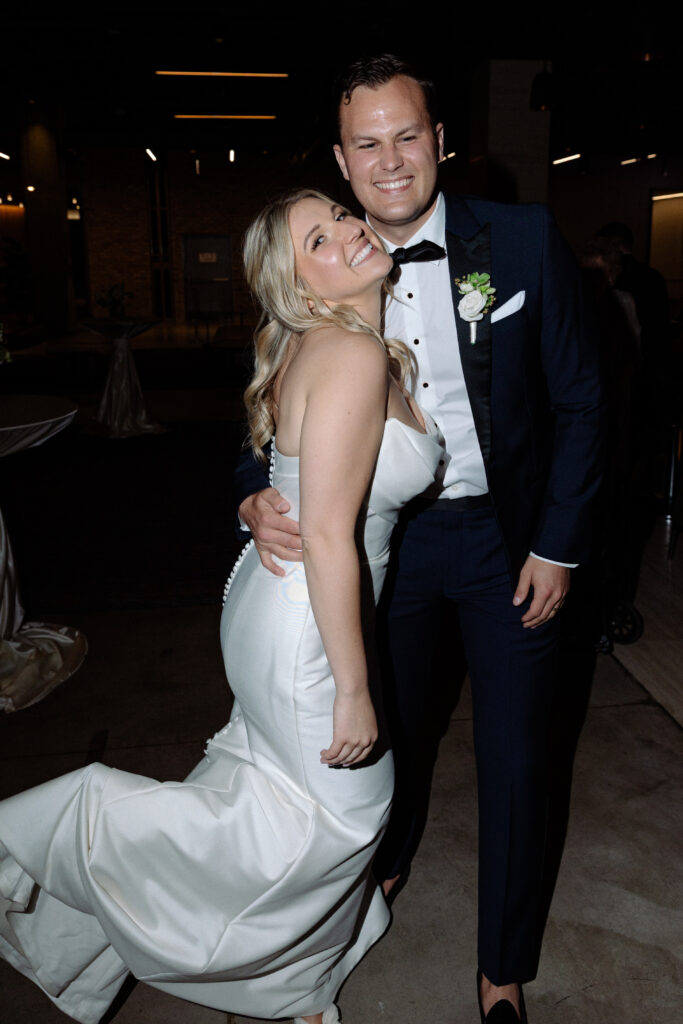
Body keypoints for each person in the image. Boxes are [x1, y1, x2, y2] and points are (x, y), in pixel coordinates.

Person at [0, 189, 445, 1024]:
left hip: (273, 601)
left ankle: (301, 991)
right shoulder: (348, 353)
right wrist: (354, 690)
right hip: (305, 623)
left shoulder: (329, 343)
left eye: (342, 216)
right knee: (344, 819)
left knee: (281, 803)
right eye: (320, 237)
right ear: (300, 285)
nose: (351, 230)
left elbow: (294, 488)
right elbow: (323, 531)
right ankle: (74, 823)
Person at [235, 56, 604, 1024]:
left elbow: (579, 399)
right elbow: (268, 398)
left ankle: (501, 965)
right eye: (367, 142)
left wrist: (557, 546)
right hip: (372, 554)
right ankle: (380, 872)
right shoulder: (316, 259)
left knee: (519, 758)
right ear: (340, 157)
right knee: (379, 739)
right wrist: (250, 498)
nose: (390, 160)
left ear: (440, 141)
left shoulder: (516, 239)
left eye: (408, 135)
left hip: (505, 545)